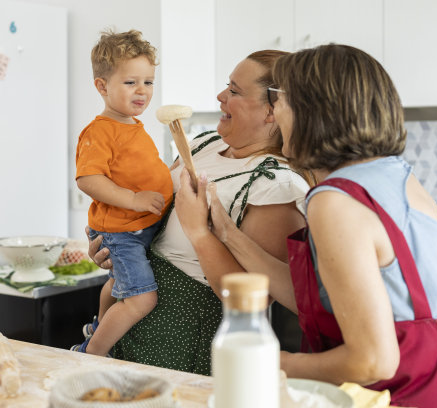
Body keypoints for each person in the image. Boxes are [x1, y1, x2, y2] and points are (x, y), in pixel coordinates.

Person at [177, 44, 437, 407]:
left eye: (281, 101)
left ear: (311, 111)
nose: (276, 113)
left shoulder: (335, 202)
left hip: (423, 393)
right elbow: (316, 298)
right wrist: (226, 232)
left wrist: (271, 364)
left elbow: (373, 360)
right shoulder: (394, 175)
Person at [86, 50, 312, 375]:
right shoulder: (202, 145)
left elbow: (253, 300)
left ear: (271, 112)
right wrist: (115, 243)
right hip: (127, 318)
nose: (220, 97)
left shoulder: (276, 186)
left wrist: (199, 233)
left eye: (234, 91)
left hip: (181, 342)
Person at [72, 29, 173, 357]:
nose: (142, 91)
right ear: (102, 86)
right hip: (123, 233)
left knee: (117, 284)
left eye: (148, 82)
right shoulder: (100, 130)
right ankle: (92, 355)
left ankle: (98, 326)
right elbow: (88, 178)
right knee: (142, 298)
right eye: (131, 82)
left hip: (136, 229)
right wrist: (133, 199)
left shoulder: (132, 124)